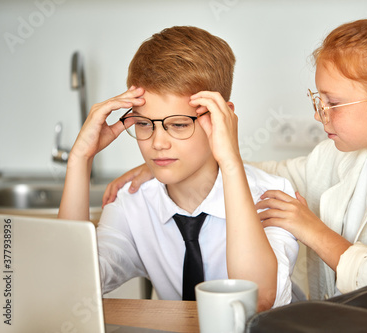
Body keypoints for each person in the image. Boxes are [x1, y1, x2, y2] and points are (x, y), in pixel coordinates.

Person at [103, 6, 367, 300]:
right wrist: (168, 163)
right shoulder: (339, 158)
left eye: (333, 102)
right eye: (318, 99)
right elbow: (261, 174)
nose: (319, 114)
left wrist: (311, 229)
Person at [58, 26, 298, 310]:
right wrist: (80, 159)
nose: (157, 143)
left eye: (179, 125)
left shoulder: (272, 196)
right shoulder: (132, 202)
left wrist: (230, 160)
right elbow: (70, 285)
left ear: (222, 117)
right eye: (144, 124)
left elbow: (258, 299)